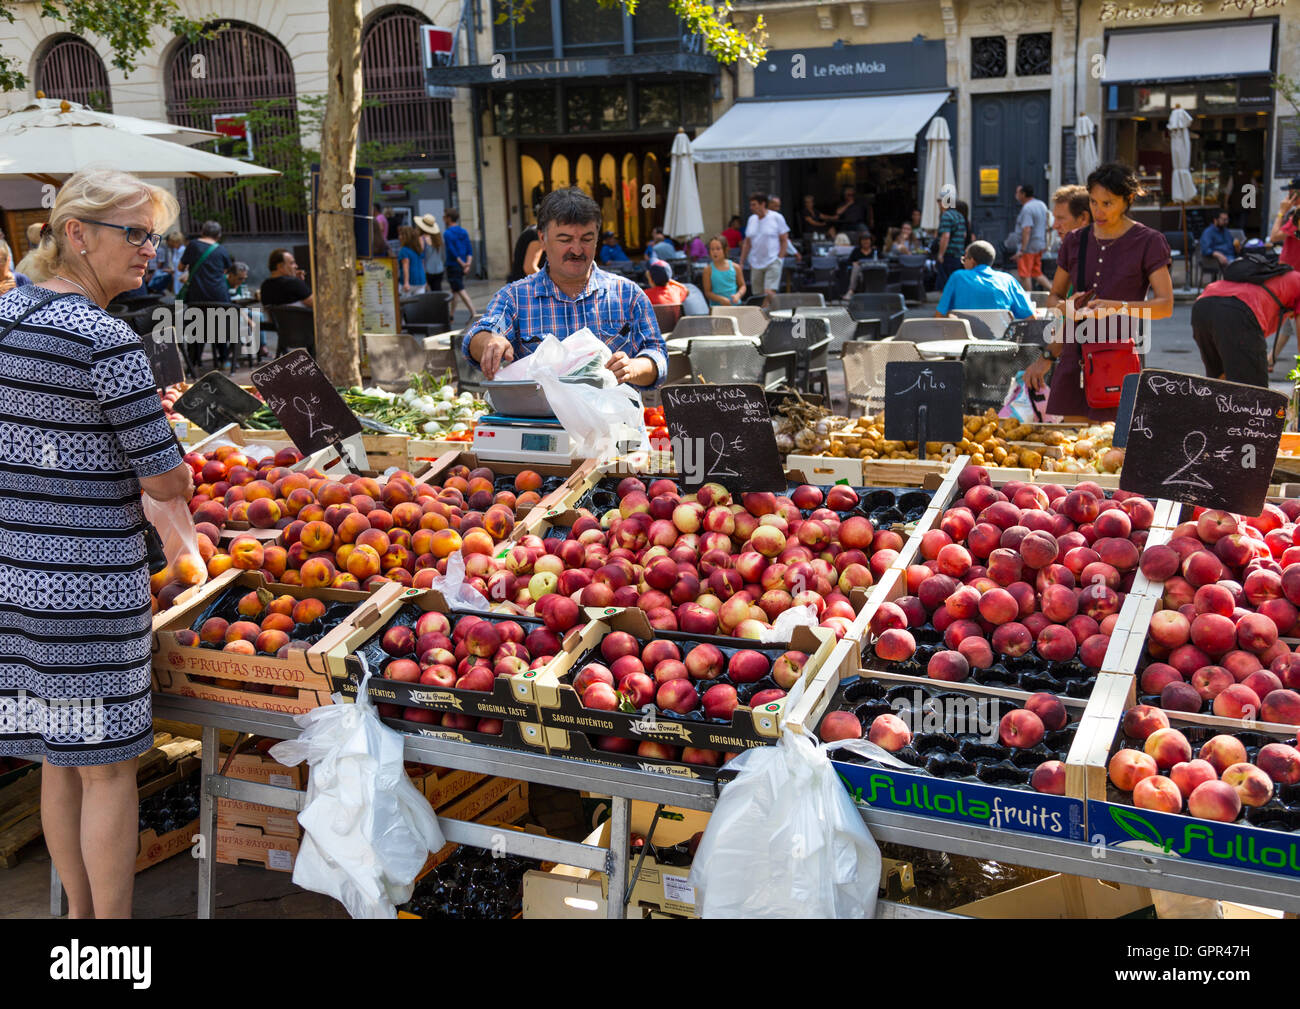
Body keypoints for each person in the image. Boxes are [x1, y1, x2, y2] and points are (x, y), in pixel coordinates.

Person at [0, 168, 194, 918]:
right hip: (86, 586)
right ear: (76, 234)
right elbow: (167, 482)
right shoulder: (104, 337)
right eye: (135, 233)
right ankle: (108, 943)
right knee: (108, 772)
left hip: (18, 577)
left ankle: (78, 922)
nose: (151, 250)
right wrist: (171, 455)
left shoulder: (8, 314)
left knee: (59, 757)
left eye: (155, 235)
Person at [463, 187, 666, 389]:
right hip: (538, 420)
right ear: (542, 238)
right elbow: (478, 336)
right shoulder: (514, 297)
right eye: (565, 240)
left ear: (597, 238)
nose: (577, 250)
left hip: (613, 418)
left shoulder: (628, 294)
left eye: (587, 239)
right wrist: (491, 342)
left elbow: (657, 355)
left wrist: (634, 367)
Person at [1024, 162, 1174, 421]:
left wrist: (1118, 307)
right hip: (1075, 357)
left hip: (1117, 361)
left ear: (1127, 200)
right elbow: (1054, 295)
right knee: (1072, 450)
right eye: (1094, 202)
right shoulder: (1075, 240)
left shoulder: (1149, 241)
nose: (1099, 211)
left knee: (1110, 450)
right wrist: (1064, 308)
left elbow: (1165, 305)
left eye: (1108, 203)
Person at [1192, 242, 1300, 387]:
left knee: (1219, 382)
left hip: (1203, 306)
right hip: (1238, 311)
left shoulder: (1280, 274)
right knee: (1253, 394)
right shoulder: (1297, 282)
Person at [936, 241, 1035, 319]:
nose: (963, 263)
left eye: (964, 259)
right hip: (1001, 342)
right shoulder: (1007, 280)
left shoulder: (957, 277)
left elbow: (939, 315)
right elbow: (1031, 317)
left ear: (972, 261)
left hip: (965, 342)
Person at [739, 192, 791, 307]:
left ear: (763, 204)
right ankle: (764, 319)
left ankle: (773, 315)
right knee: (758, 295)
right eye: (751, 205)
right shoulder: (751, 219)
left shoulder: (776, 217)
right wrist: (742, 261)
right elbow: (747, 243)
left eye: (754, 205)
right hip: (755, 263)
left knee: (769, 293)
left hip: (772, 261)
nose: (751, 208)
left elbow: (784, 239)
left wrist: (779, 259)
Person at [178, 220, 232, 303]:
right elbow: (225, 271)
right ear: (219, 235)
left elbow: (180, 267)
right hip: (219, 294)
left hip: (197, 294)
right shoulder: (222, 250)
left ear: (202, 232)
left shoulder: (193, 245)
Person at [1014, 184, 1051, 291]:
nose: (1016, 195)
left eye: (1017, 193)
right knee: (1036, 273)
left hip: (1028, 246)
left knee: (1025, 275)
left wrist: (1022, 249)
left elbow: (1027, 229)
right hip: (1039, 244)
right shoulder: (1041, 204)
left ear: (1023, 194)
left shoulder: (1027, 208)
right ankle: (1054, 291)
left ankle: (1028, 300)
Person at [443, 208, 475, 322]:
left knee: (460, 289)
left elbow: (452, 251)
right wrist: (468, 264)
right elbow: (469, 248)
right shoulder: (463, 231)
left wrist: (462, 264)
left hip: (453, 264)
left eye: (445, 216)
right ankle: (451, 315)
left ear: (449, 218)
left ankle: (473, 312)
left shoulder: (447, 233)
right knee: (455, 290)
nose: (443, 218)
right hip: (463, 264)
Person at [702, 234, 746, 306]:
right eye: (712, 249)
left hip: (735, 306)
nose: (715, 252)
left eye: (718, 249)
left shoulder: (736, 267)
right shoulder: (708, 270)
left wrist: (738, 295)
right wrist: (721, 299)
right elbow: (707, 292)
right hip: (717, 308)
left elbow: (742, 286)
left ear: (725, 249)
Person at [935, 196, 967, 288]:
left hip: (949, 254)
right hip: (958, 253)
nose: (939, 205)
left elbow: (946, 236)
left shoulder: (946, 215)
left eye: (940, 202)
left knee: (946, 285)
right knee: (955, 283)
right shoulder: (959, 215)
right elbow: (964, 234)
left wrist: (941, 254)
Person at [1271, 178, 1300, 271]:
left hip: (1293, 271)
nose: (1287, 196)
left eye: (1290, 192)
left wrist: (1281, 212)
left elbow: (1274, 237)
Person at [416, 214, 446, 291]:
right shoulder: (438, 238)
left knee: (427, 295)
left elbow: (420, 254)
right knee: (437, 291)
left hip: (427, 270)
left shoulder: (422, 238)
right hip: (439, 269)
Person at [397, 225, 427, 295]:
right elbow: (422, 264)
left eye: (401, 235)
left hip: (410, 282)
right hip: (421, 280)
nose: (399, 237)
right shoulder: (418, 249)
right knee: (419, 304)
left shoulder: (404, 250)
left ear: (405, 237)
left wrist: (406, 282)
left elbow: (405, 266)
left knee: (406, 304)